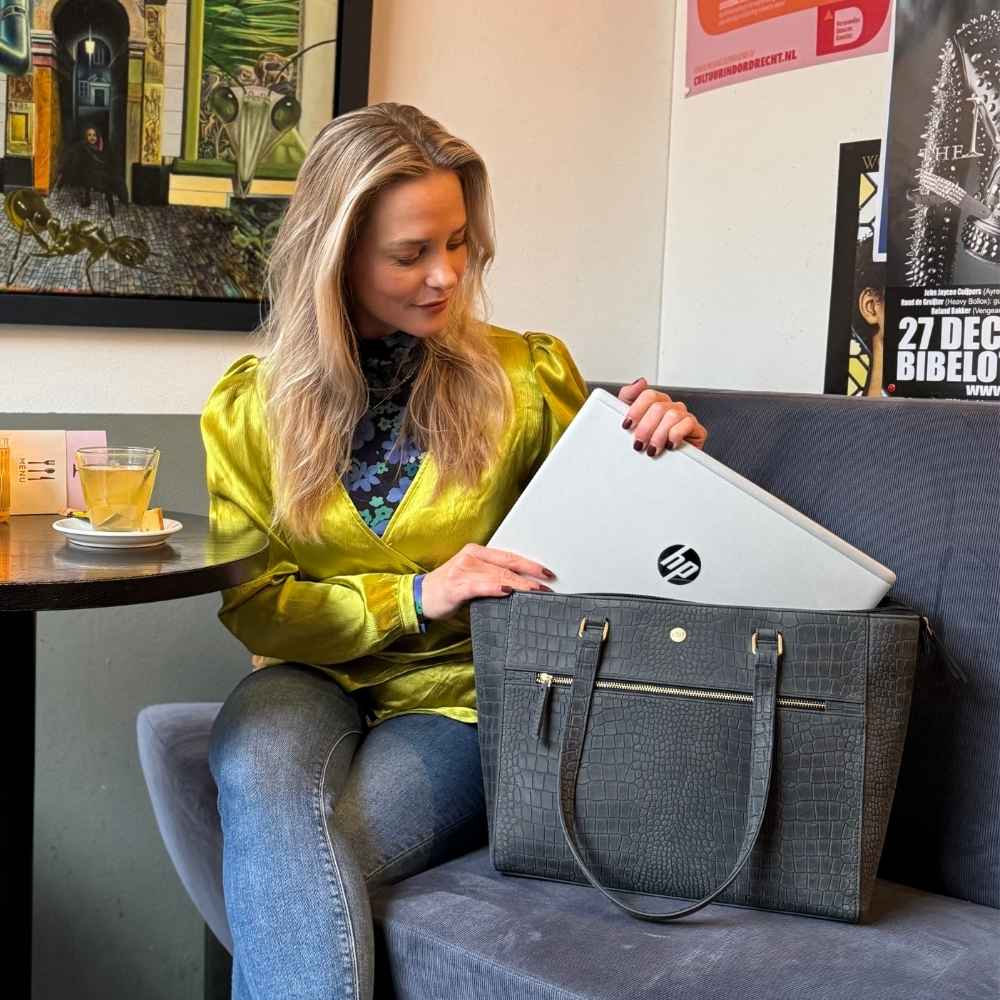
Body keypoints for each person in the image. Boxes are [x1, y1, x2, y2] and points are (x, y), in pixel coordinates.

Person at [201, 102, 708, 1000]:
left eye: (459, 243)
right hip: (306, 675)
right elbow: (257, 605)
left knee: (299, 866)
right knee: (255, 771)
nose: (446, 275)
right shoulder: (251, 407)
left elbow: (620, 539)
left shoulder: (526, 377)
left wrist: (668, 453)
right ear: (336, 255)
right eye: (410, 254)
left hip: (466, 698)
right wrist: (413, 595)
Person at [53, 125, 128, 217]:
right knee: (106, 181)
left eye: (94, 135)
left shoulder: (102, 146)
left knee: (118, 180)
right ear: (86, 136)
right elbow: (73, 161)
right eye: (89, 135)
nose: (92, 137)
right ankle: (93, 199)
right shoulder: (83, 147)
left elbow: (109, 161)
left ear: (98, 136)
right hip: (91, 176)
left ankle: (123, 202)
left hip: (102, 173)